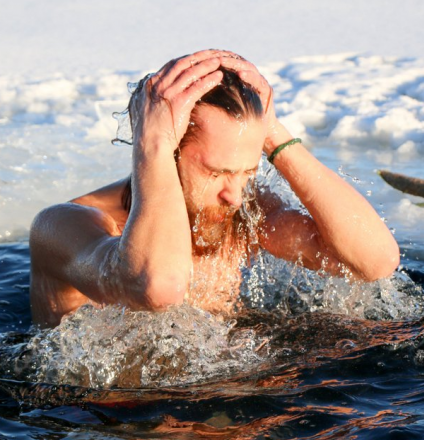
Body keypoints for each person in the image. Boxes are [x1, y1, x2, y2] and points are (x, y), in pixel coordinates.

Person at [29, 50, 399, 328]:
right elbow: (156, 287)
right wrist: (152, 141)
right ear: (167, 149)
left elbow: (374, 262)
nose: (235, 196)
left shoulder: (242, 214)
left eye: (246, 172)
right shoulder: (65, 226)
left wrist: (272, 132)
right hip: (106, 419)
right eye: (217, 172)